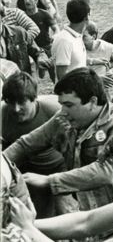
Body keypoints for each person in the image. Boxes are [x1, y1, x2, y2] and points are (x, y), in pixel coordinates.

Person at [4, 68, 113, 235]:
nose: (63, 111)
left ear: (93, 101)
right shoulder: (65, 117)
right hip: (88, 217)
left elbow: (106, 171)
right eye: (62, 105)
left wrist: (49, 181)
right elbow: (27, 144)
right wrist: (2, 168)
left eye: (69, 105)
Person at [1, 72, 69, 218]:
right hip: (23, 173)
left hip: (56, 169)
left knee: (65, 211)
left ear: (34, 98)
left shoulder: (54, 111)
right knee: (31, 217)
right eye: (10, 102)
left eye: (21, 102)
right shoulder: (2, 113)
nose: (16, 108)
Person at [1, 5, 49, 75]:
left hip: (22, 81)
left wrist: (41, 58)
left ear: (2, 17)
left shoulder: (19, 33)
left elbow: (38, 52)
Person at [21, 0, 58, 79]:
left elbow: (56, 28)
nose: (27, 1)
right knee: (31, 74)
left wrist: (55, 36)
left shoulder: (44, 14)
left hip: (46, 46)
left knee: (53, 71)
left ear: (36, 0)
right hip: (31, 49)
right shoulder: (21, 16)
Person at [83, 21, 113, 99]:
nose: (81, 40)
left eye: (84, 37)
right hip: (88, 89)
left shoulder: (106, 47)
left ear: (93, 36)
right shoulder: (78, 49)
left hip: (107, 90)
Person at [51, 0, 89, 79]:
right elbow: (61, 76)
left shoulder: (76, 35)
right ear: (87, 17)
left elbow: (76, 63)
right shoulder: (65, 41)